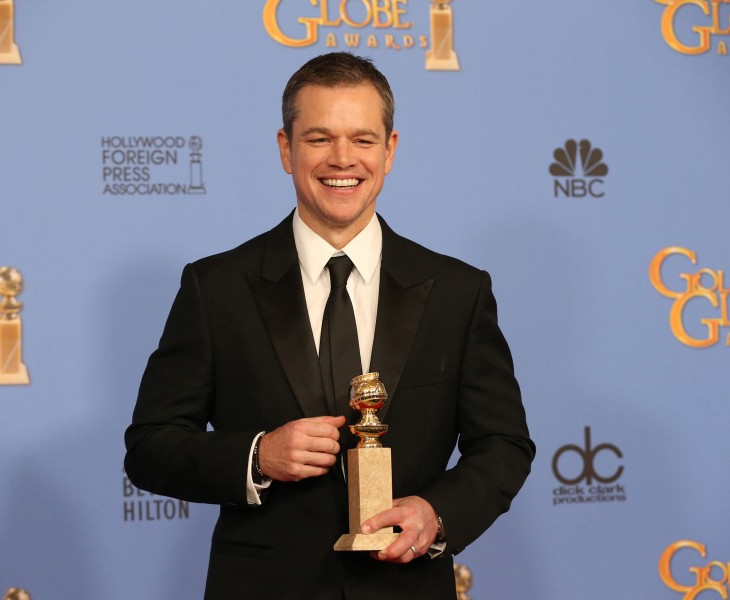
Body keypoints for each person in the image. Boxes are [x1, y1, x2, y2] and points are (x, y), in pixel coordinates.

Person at [124, 51, 534, 599]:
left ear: (390, 151)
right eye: (319, 138)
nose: (343, 159)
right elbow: (150, 447)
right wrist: (258, 455)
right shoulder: (216, 288)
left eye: (363, 140)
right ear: (285, 148)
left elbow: (504, 444)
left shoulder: (458, 291)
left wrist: (436, 513)